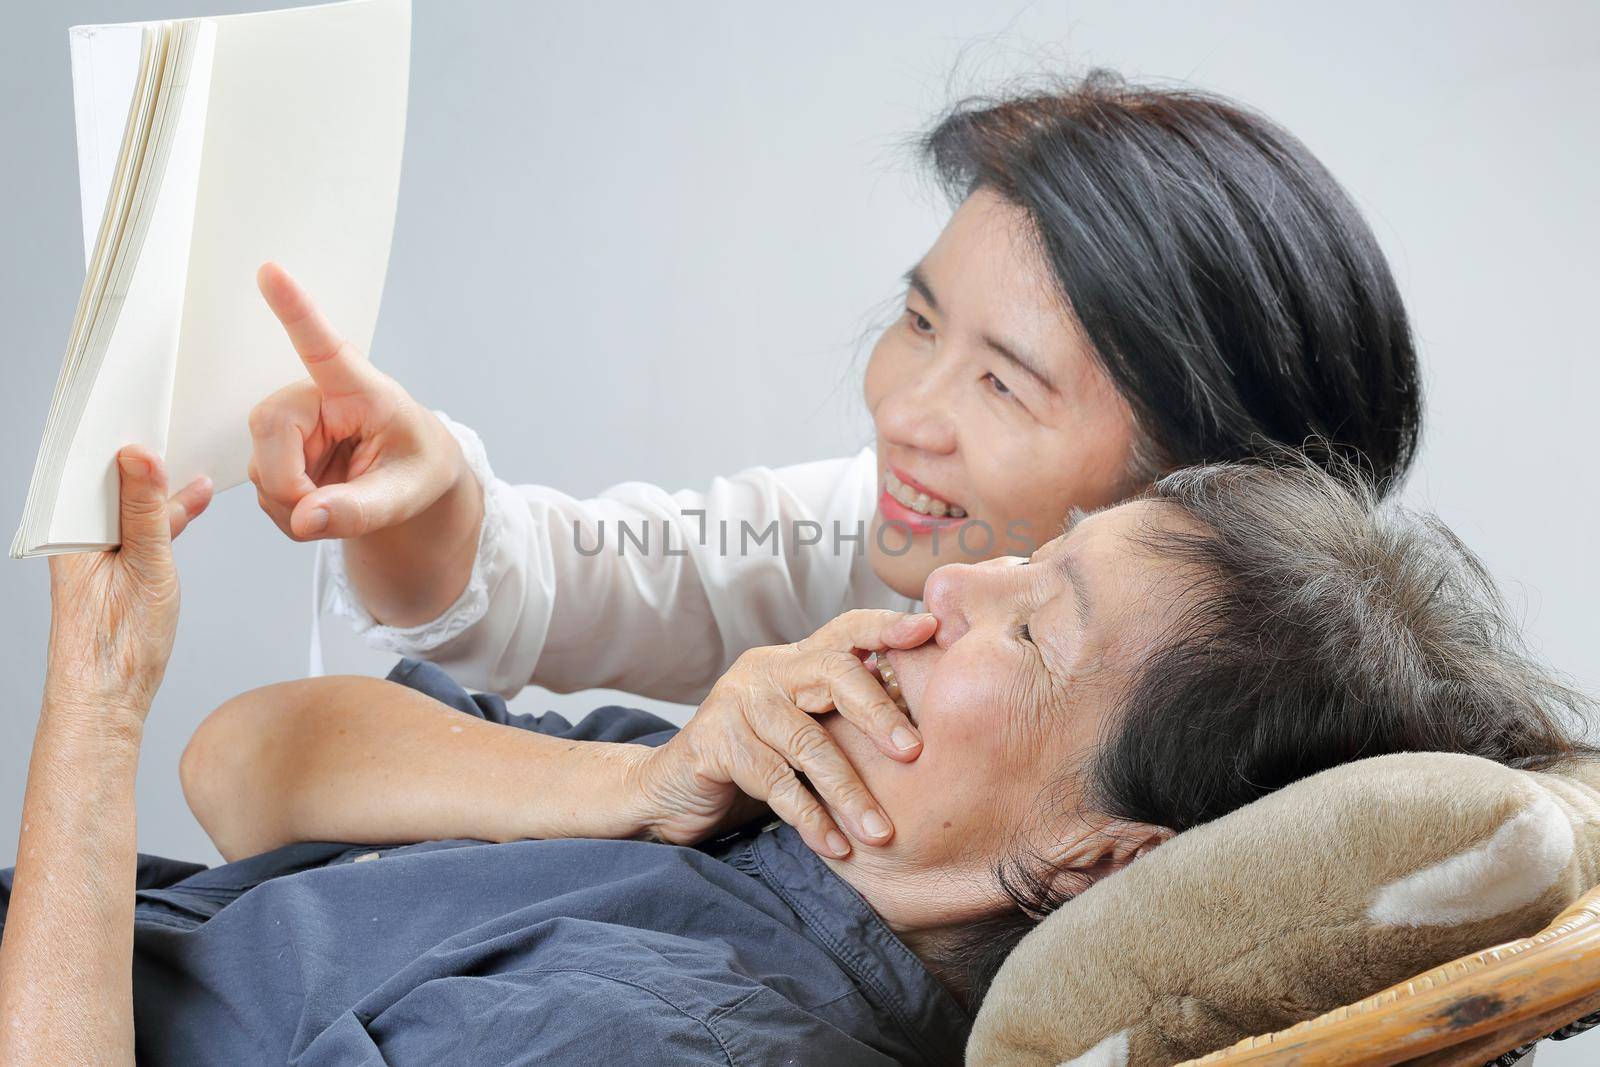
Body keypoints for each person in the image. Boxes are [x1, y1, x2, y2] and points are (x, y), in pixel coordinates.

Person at [5, 441, 1585, 1065]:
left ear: (1110, 854)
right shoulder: (774, 800)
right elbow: (244, 763)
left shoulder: (688, 1043)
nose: (955, 579)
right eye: (1040, 554)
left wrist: (90, 700)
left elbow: (163, 749)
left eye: (1035, 627)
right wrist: (630, 779)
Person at [245, 71, 1424, 742]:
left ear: (1210, 489)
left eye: (1002, 383)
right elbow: (561, 583)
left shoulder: (1210, 782)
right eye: (918, 323)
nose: (904, 408)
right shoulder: (898, 525)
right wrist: (425, 492)